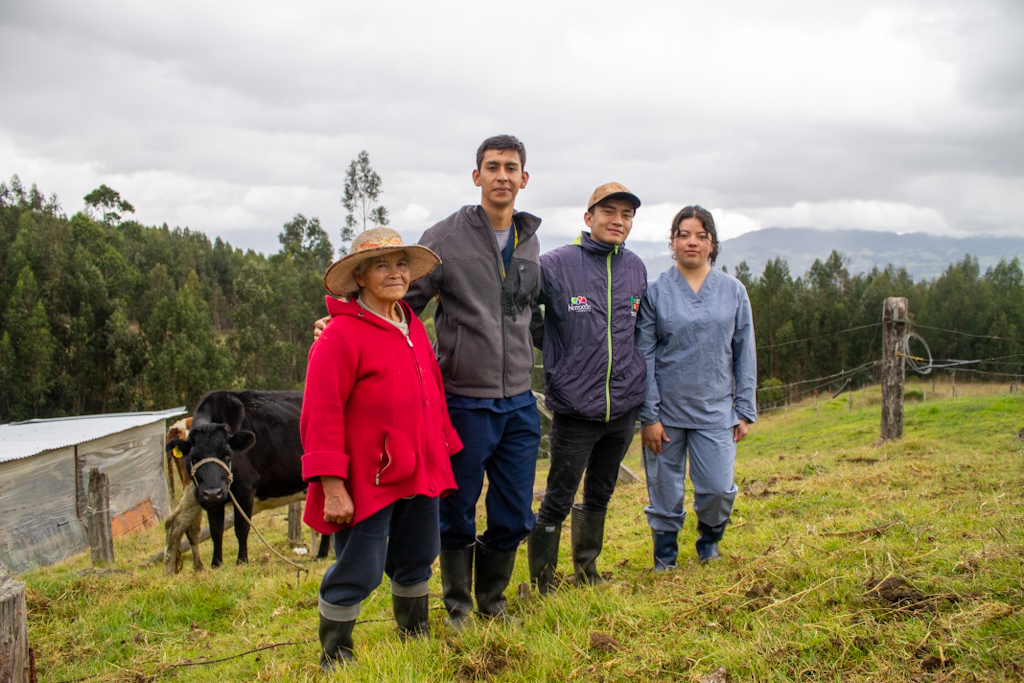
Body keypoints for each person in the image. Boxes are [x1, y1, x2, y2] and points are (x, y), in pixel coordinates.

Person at [313, 135, 542, 626]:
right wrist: (341, 326)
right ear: (476, 175)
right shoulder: (445, 238)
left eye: (512, 168)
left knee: (516, 512)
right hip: (465, 399)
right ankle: (458, 607)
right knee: (456, 511)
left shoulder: (530, 240)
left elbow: (528, 313)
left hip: (520, 400)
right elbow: (396, 303)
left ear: (524, 179)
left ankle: (494, 603)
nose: (502, 176)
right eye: (492, 166)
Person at [301, 228, 462, 669]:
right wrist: (332, 485)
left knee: (417, 556)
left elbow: (431, 393)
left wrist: (440, 451)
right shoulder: (338, 337)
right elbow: (322, 414)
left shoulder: (410, 324)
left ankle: (415, 634)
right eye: (382, 265)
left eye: (402, 264)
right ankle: (336, 654)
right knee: (360, 566)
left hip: (418, 469)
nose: (396, 273)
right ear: (360, 276)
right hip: (368, 476)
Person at [527, 183, 648, 593]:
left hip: (623, 406)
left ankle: (587, 572)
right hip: (576, 409)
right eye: (609, 212)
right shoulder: (557, 264)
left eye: (626, 215)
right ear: (588, 217)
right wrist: (551, 340)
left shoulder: (635, 267)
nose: (618, 221)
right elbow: (521, 303)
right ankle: (543, 583)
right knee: (558, 498)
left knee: (599, 493)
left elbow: (639, 328)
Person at [636, 205, 757, 570]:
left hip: (716, 410)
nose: (692, 242)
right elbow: (644, 355)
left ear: (712, 244)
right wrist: (648, 415)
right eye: (683, 235)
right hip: (666, 413)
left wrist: (745, 409)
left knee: (718, 488)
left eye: (701, 236)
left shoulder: (733, 291)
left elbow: (744, 351)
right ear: (672, 242)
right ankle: (666, 557)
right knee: (664, 490)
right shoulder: (655, 292)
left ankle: (710, 543)